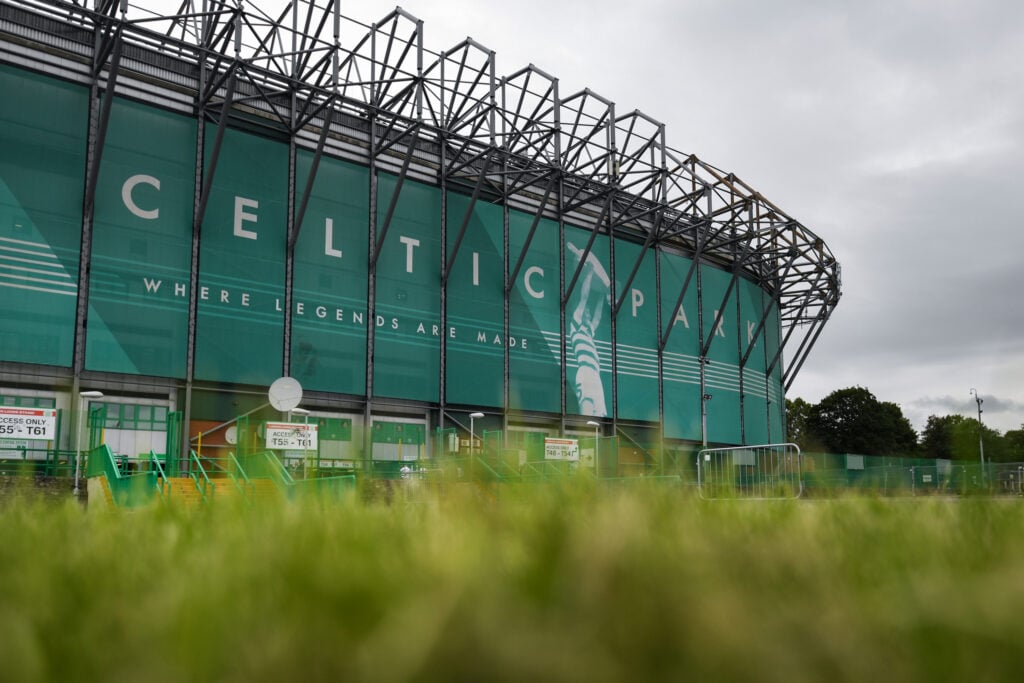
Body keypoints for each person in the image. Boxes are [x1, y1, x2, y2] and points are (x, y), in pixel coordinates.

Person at [566, 241, 610, 417]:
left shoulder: (588, 331)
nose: (588, 313)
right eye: (586, 312)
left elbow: (598, 316)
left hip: (596, 377)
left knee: (599, 417)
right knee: (587, 416)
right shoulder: (575, 324)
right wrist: (590, 273)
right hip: (585, 372)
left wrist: (602, 294)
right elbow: (584, 297)